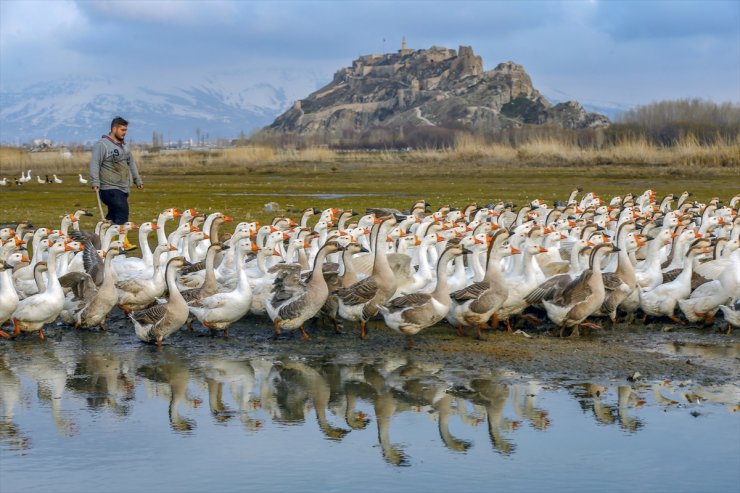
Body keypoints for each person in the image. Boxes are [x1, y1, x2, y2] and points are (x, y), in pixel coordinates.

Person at [89, 116, 144, 250]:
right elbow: (94, 163)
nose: (124, 132)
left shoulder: (124, 146)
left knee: (113, 215)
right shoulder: (102, 145)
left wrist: (137, 179)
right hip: (109, 187)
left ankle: (106, 242)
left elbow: (131, 163)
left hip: (123, 187)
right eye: (122, 130)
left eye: (125, 130)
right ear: (114, 129)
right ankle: (122, 242)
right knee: (122, 212)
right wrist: (94, 181)